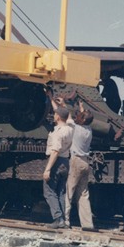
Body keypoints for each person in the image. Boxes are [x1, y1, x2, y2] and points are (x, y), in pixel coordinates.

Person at [64, 99, 97, 231]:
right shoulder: (88, 130)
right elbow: (84, 119)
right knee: (83, 194)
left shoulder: (75, 128)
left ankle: (65, 221)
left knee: (69, 191)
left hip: (76, 161)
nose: (77, 115)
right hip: (85, 162)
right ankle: (87, 223)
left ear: (81, 120)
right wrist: (82, 108)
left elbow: (67, 116)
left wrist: (62, 104)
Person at [43, 96, 73, 228]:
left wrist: (48, 169)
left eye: (55, 114)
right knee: (61, 192)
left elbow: (55, 151)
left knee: (49, 191)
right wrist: (57, 102)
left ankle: (57, 218)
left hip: (56, 162)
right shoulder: (70, 128)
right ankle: (65, 221)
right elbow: (68, 117)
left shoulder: (57, 133)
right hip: (66, 162)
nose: (54, 115)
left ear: (57, 117)